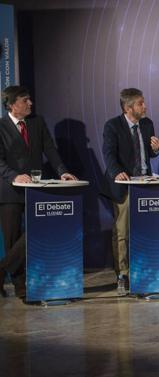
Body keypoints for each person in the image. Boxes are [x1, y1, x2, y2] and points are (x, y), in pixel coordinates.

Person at [0, 85, 77, 298]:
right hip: (9, 192)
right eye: (25, 100)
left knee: (37, 231)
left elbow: (50, 149)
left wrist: (62, 171)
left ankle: (1, 268)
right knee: (11, 238)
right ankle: (20, 287)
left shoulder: (37, 122)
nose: (30, 103)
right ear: (12, 105)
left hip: (35, 189)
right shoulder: (1, 126)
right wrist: (14, 176)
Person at [102, 88, 159, 295]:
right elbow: (108, 154)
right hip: (124, 185)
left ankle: (143, 270)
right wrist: (117, 172)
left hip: (145, 184)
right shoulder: (113, 126)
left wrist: (155, 149)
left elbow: (148, 156)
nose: (145, 107)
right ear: (128, 108)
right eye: (140, 104)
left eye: (144, 103)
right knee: (122, 232)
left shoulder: (147, 124)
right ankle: (123, 275)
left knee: (146, 230)